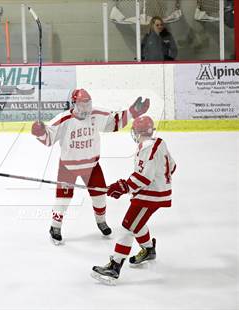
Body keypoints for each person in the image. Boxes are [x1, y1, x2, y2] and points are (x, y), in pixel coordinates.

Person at [31, 89, 150, 245]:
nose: (86, 108)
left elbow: (114, 121)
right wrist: (40, 132)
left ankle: (101, 222)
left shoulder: (95, 114)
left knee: (99, 197)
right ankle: (55, 226)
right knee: (62, 199)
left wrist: (132, 112)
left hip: (92, 166)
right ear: (74, 104)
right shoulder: (64, 120)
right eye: (82, 104)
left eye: (88, 103)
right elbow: (48, 139)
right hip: (68, 168)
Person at [91, 115, 176, 284]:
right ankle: (149, 250)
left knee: (127, 227)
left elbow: (143, 178)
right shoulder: (159, 142)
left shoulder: (146, 148)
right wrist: (127, 186)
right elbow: (172, 166)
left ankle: (114, 267)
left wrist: (123, 186)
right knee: (137, 223)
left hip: (150, 196)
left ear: (137, 132)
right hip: (154, 192)